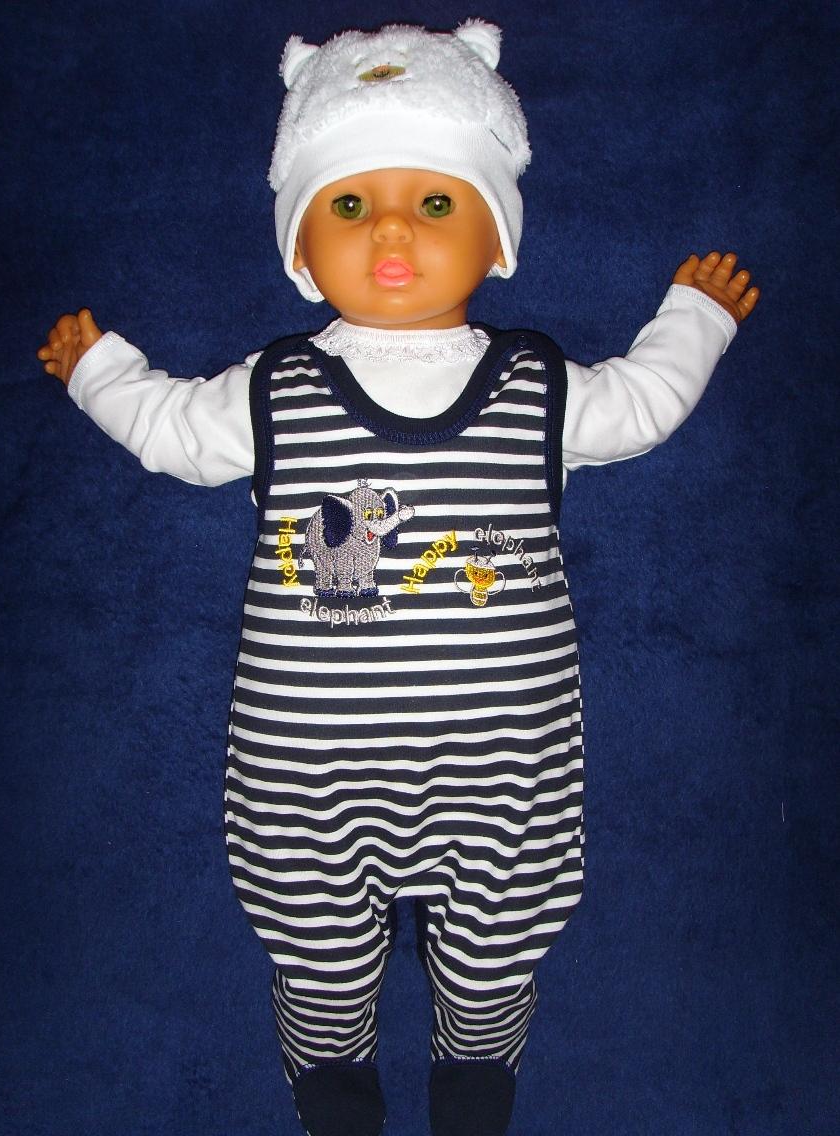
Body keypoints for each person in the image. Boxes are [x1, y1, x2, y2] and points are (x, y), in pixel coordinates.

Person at [37, 20, 759, 1136]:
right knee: (313, 939)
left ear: (497, 237)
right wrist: (101, 371)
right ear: (298, 249)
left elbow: (641, 403)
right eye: (347, 203)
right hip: (309, 772)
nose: (389, 231)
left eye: (432, 202)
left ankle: (478, 1053)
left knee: (501, 938)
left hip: (502, 767)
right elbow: (172, 428)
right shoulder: (273, 389)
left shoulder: (536, 386)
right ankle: (330, 1060)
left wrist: (694, 320)